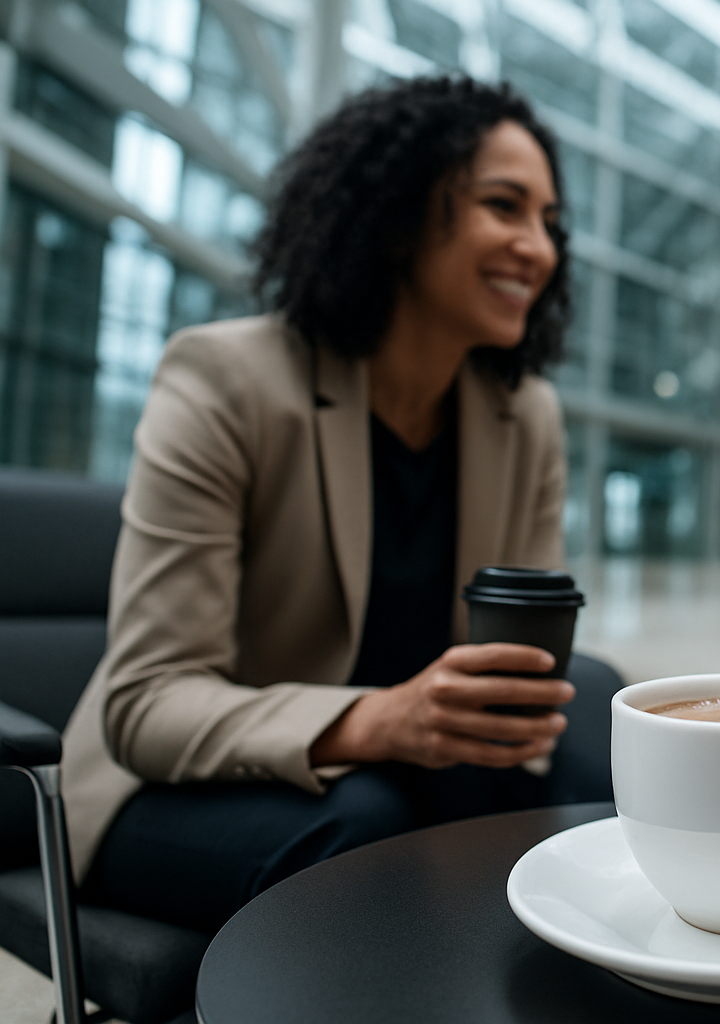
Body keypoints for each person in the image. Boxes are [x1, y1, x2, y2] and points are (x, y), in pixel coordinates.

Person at [58, 77, 617, 934]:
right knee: (370, 830)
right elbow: (147, 705)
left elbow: (516, 665)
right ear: (395, 214)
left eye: (550, 223)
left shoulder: (523, 413)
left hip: (412, 766)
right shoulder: (223, 379)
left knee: (592, 774)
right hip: (179, 785)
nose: (537, 248)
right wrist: (379, 719)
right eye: (505, 207)